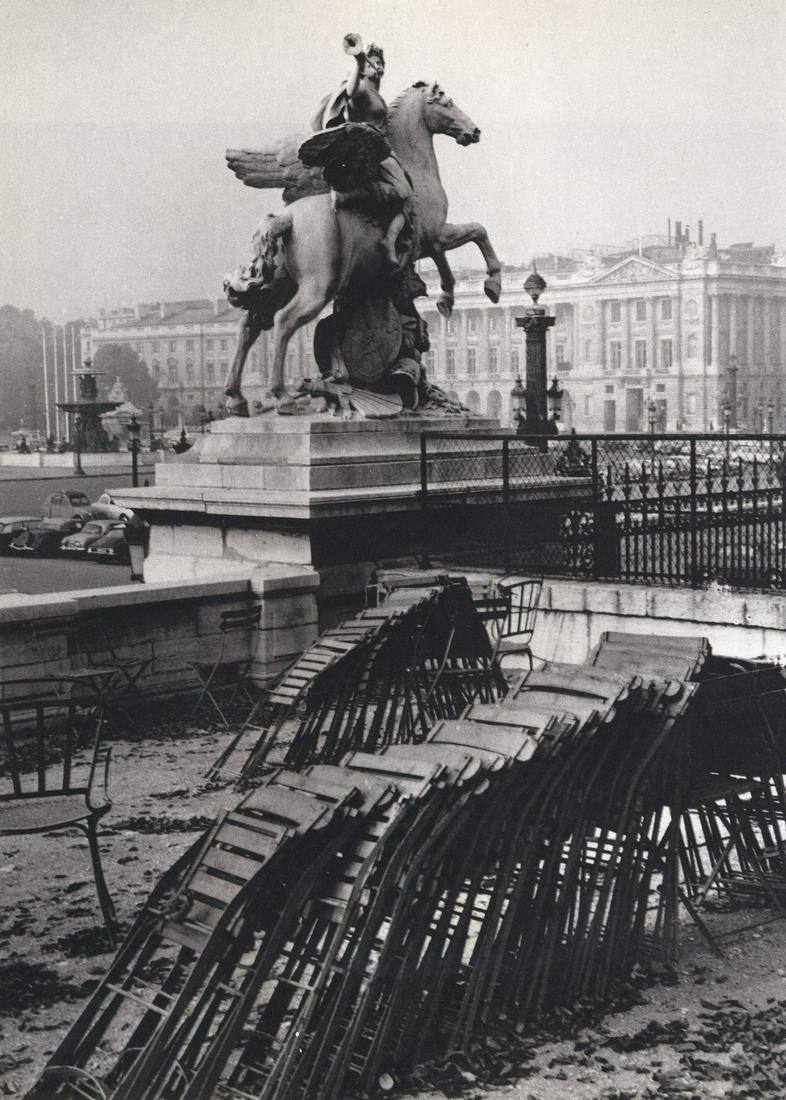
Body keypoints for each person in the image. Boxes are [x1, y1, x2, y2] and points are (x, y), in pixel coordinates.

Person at [306, 34, 414, 269]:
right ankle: (385, 236)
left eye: (382, 63)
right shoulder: (362, 89)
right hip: (373, 153)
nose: (380, 67)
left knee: (407, 192)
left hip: (382, 151)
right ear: (365, 68)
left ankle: (388, 237)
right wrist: (357, 59)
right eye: (375, 63)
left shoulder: (377, 96)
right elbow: (351, 90)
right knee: (406, 193)